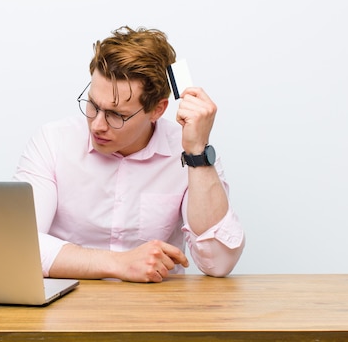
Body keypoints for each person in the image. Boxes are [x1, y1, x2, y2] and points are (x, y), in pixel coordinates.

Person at [14, 26, 244, 282]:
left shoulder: (188, 153)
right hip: (67, 309)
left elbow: (219, 262)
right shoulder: (53, 142)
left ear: (157, 110)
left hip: (157, 313)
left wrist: (197, 153)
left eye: (117, 115)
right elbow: (17, 247)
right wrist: (119, 264)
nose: (97, 124)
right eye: (92, 105)